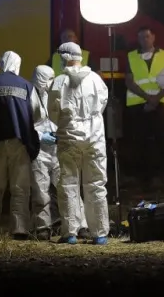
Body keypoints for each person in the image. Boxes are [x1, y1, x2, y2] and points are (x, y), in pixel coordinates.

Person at [0, 51, 41, 241]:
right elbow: (38, 115)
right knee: (20, 187)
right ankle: (19, 229)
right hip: (20, 141)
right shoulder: (28, 85)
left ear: (1, 63)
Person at [49, 42, 110, 245]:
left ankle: (70, 233)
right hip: (95, 137)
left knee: (68, 184)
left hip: (69, 137)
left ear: (63, 58)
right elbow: (102, 104)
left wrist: (67, 124)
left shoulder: (58, 82)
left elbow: (52, 113)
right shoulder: (96, 80)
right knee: (96, 184)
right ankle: (99, 233)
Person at [30, 65, 88, 240]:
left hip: (59, 147)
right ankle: (43, 227)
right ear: (38, 78)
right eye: (47, 78)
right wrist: (39, 135)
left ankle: (80, 225)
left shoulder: (59, 94)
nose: (50, 82)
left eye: (52, 78)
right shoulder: (28, 96)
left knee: (69, 188)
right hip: (39, 149)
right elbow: (24, 123)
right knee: (41, 190)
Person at [124, 26, 164, 184]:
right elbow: (129, 82)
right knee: (140, 143)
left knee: (162, 141)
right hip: (138, 105)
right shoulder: (131, 56)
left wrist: (154, 99)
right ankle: (145, 179)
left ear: (153, 38)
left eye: (147, 36)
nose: (144, 40)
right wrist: (148, 98)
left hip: (157, 104)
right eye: (141, 37)